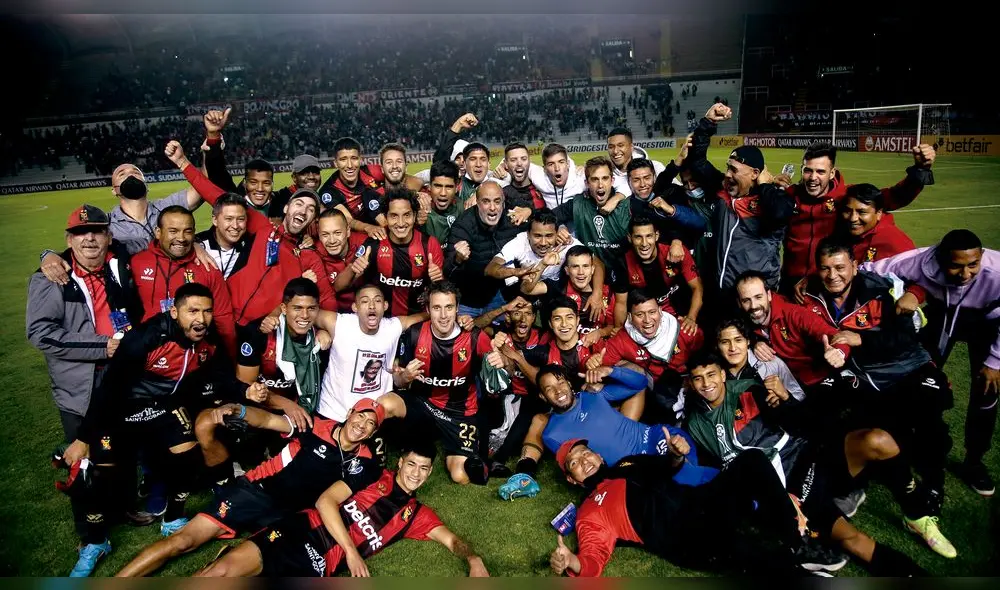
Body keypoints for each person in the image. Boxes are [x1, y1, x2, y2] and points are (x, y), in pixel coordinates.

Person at [64, 283, 264, 569]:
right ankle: (96, 541)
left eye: (207, 311)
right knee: (97, 475)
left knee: (188, 452)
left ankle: (173, 518)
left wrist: (244, 391)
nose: (201, 319)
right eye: (192, 311)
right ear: (174, 312)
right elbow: (108, 389)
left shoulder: (208, 339)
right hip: (123, 409)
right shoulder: (145, 338)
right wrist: (84, 437)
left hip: (163, 407)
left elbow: (218, 376)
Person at [684, 351, 953, 564]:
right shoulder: (694, 424)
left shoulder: (748, 389)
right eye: (698, 378)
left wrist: (784, 399)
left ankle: (916, 516)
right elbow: (723, 473)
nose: (707, 383)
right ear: (690, 383)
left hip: (811, 456)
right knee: (852, 539)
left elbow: (796, 421)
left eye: (711, 375)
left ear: (722, 374)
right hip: (792, 487)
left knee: (878, 440)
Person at [115, 398, 384, 577]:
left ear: (373, 433)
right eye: (360, 417)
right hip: (255, 492)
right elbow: (267, 420)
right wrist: (239, 410)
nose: (361, 426)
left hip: (287, 518)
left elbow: (333, 499)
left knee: (229, 572)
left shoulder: (365, 463)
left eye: (370, 424)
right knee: (182, 542)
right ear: (350, 414)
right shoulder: (313, 426)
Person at [26, 204, 143, 576]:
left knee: (121, 449)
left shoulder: (119, 263)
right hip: (81, 386)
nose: (89, 238)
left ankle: (123, 507)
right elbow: (40, 333)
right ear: (68, 240)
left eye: (97, 231)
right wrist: (100, 346)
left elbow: (160, 238)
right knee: (85, 460)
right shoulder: (49, 279)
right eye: (80, 233)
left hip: (123, 379)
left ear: (109, 236)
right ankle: (91, 535)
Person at [801, 238, 955, 515]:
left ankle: (933, 484)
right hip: (863, 374)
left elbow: (907, 335)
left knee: (928, 413)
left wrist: (861, 340)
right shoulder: (811, 295)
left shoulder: (882, 289)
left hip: (906, 366)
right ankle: (852, 482)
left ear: (855, 266)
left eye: (839, 267)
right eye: (825, 268)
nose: (832, 275)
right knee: (826, 409)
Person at [549, 441, 850, 576]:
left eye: (585, 453)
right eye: (574, 462)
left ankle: (797, 542)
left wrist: (678, 455)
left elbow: (669, 466)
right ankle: (793, 565)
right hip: (685, 536)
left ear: (598, 455)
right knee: (751, 552)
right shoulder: (590, 511)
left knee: (753, 460)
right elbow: (592, 559)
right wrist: (572, 562)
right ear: (571, 478)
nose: (584, 460)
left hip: (703, 501)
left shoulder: (629, 463)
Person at [193, 442, 489, 577]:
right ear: (400, 462)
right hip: (300, 532)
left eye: (423, 469)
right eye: (411, 464)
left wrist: (474, 560)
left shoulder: (416, 515)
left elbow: (453, 541)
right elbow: (325, 502)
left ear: (429, 473)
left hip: (320, 565)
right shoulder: (372, 474)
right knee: (220, 574)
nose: (416, 473)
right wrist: (351, 550)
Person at [862, 229, 1000, 497]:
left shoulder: (997, 273)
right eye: (956, 266)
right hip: (941, 316)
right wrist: (912, 290)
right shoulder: (919, 261)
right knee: (920, 383)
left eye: (973, 264)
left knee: (987, 390)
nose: (965, 274)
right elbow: (869, 269)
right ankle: (911, 448)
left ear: (982, 256)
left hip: (986, 322)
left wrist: (995, 361)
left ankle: (974, 462)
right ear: (939, 258)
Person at [165, 140, 336, 326]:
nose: (303, 211)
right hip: (224, 318)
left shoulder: (309, 256)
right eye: (299, 204)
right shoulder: (263, 227)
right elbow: (215, 194)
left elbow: (327, 298)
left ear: (314, 218)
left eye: (311, 209)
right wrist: (182, 162)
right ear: (286, 208)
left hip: (261, 330)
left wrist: (325, 331)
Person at [378, 281, 503, 485]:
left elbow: (500, 373)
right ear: (428, 309)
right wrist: (405, 377)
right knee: (384, 404)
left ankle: (459, 450)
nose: (443, 315)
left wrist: (501, 361)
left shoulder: (474, 337)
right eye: (437, 308)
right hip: (423, 404)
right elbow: (398, 381)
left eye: (449, 307)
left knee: (461, 477)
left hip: (460, 412)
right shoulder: (414, 334)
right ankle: (371, 452)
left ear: (457, 309)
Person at [779, 141, 934, 295]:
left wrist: (920, 170)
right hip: (788, 281)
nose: (813, 177)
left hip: (823, 282)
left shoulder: (845, 198)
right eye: (808, 171)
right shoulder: (789, 196)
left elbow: (893, 196)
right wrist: (769, 185)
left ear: (832, 173)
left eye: (820, 171)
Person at [684, 104, 795, 294]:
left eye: (734, 170)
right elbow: (697, 161)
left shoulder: (772, 199)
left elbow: (780, 214)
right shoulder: (723, 191)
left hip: (755, 298)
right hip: (723, 291)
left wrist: (766, 185)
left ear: (755, 173)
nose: (727, 174)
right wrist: (708, 123)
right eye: (728, 167)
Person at [38, 161, 207, 281]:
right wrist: (48, 255)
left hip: (175, 284)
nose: (129, 175)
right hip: (133, 295)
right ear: (114, 190)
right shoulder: (106, 224)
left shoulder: (168, 207)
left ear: (146, 184)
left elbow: (203, 187)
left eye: (135, 172)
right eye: (122, 174)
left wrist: (209, 145)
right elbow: (82, 248)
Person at [312, 284, 428, 424]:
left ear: (385, 306)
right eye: (365, 301)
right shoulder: (339, 323)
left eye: (377, 301)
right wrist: (319, 330)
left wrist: (457, 318)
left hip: (373, 415)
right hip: (333, 412)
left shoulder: (392, 327)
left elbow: (426, 316)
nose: (372, 306)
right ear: (355, 307)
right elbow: (303, 313)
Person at [130, 205, 237, 353]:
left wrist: (232, 361)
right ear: (158, 233)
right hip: (149, 354)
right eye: (173, 231)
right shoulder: (137, 263)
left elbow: (223, 319)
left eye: (187, 232)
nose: (181, 238)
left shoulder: (208, 268)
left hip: (195, 357)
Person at [334, 188, 444, 317]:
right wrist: (352, 269)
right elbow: (338, 287)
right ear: (386, 217)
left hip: (416, 322)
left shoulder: (430, 244)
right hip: (382, 324)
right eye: (394, 216)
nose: (401, 223)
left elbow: (441, 293)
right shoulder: (374, 243)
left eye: (407, 215)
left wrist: (438, 278)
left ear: (414, 216)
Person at [601, 290, 704, 425]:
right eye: (639, 314)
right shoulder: (620, 340)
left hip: (688, 385)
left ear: (660, 311)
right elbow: (603, 369)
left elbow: (704, 360)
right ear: (630, 317)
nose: (647, 320)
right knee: (632, 372)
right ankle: (624, 431)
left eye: (652, 312)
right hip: (653, 395)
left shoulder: (684, 329)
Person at [445, 181, 525, 317]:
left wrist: (528, 209)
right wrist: (457, 259)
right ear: (477, 202)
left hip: (501, 297)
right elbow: (447, 271)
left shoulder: (512, 219)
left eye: (497, 201)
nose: (492, 208)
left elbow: (538, 220)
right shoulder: (463, 225)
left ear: (503, 203)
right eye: (486, 201)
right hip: (469, 301)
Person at [614, 216, 703, 334]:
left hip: (680, 314)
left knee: (694, 335)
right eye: (638, 237)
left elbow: (697, 288)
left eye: (649, 236)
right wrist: (620, 331)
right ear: (630, 238)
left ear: (656, 236)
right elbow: (621, 303)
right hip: (646, 321)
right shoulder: (623, 262)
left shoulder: (675, 252)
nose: (644, 243)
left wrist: (691, 317)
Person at [552, 156, 631, 283]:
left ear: (612, 180)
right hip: (588, 277)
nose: (600, 185)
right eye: (594, 179)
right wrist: (559, 226)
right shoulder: (578, 203)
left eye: (605, 178)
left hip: (624, 275)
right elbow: (549, 216)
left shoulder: (627, 205)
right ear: (587, 183)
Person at [520, 245, 617, 341]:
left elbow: (613, 327)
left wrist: (600, 333)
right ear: (567, 270)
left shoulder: (606, 292)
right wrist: (543, 264)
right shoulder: (558, 287)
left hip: (596, 349)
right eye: (575, 266)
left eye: (585, 266)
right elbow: (526, 289)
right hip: (559, 348)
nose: (581, 272)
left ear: (592, 269)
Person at [199, 107, 278, 217]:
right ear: (245, 183)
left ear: (272, 185)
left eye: (266, 183)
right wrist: (213, 135)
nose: (260, 189)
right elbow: (217, 172)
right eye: (253, 182)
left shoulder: (282, 205)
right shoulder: (235, 202)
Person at [486, 208, 583, 296]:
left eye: (549, 236)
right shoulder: (520, 243)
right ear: (528, 234)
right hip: (529, 291)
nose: (543, 243)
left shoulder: (565, 242)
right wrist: (517, 272)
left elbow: (594, 261)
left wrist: (596, 293)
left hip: (558, 291)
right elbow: (490, 269)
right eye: (537, 236)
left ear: (557, 234)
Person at [316, 137, 387, 238]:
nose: (349, 165)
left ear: (360, 159)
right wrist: (368, 228)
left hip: (382, 222)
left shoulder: (370, 171)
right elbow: (347, 220)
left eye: (354, 158)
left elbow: (401, 178)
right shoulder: (329, 191)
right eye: (343, 159)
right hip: (356, 234)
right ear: (336, 163)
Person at [314, 208, 368, 312]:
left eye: (337, 233)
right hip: (336, 316)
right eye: (325, 234)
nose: (332, 240)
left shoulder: (365, 243)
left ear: (348, 231)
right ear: (319, 235)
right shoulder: (314, 255)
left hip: (369, 314)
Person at [194, 194, 251, 280]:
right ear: (215, 220)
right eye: (229, 219)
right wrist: (193, 246)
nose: (235, 226)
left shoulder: (252, 246)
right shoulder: (197, 244)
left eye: (240, 219)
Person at [605, 127, 665, 197]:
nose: (615, 151)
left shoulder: (655, 167)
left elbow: (677, 192)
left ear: (631, 147)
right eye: (611, 147)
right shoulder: (605, 175)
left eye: (620, 145)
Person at [419, 160, 463, 244]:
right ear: (429, 186)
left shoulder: (461, 206)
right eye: (438, 186)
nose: (443, 193)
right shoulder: (419, 208)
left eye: (449, 187)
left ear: (457, 187)